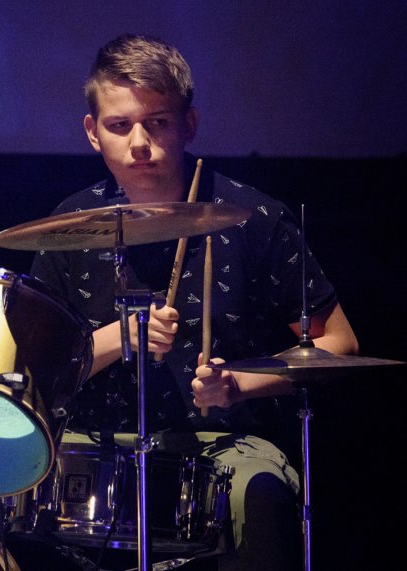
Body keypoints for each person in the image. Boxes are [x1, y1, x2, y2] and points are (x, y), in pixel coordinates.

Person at [28, 33, 359, 570]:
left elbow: (339, 343)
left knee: (260, 496)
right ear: (92, 132)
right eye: (119, 125)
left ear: (190, 124)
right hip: (91, 443)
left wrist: (238, 384)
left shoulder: (254, 218)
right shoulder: (68, 226)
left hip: (225, 444)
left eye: (157, 122)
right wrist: (119, 337)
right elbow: (33, 372)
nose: (139, 143)